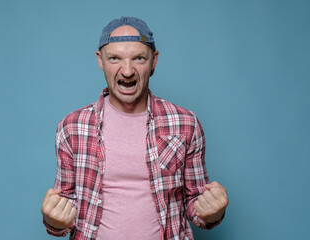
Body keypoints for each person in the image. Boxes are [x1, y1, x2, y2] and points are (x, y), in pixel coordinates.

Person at [41, 16, 228, 240]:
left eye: (139, 58)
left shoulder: (185, 123)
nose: (127, 71)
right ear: (100, 60)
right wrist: (53, 221)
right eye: (115, 58)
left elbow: (196, 203)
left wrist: (212, 213)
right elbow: (65, 210)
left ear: (154, 61)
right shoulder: (72, 127)